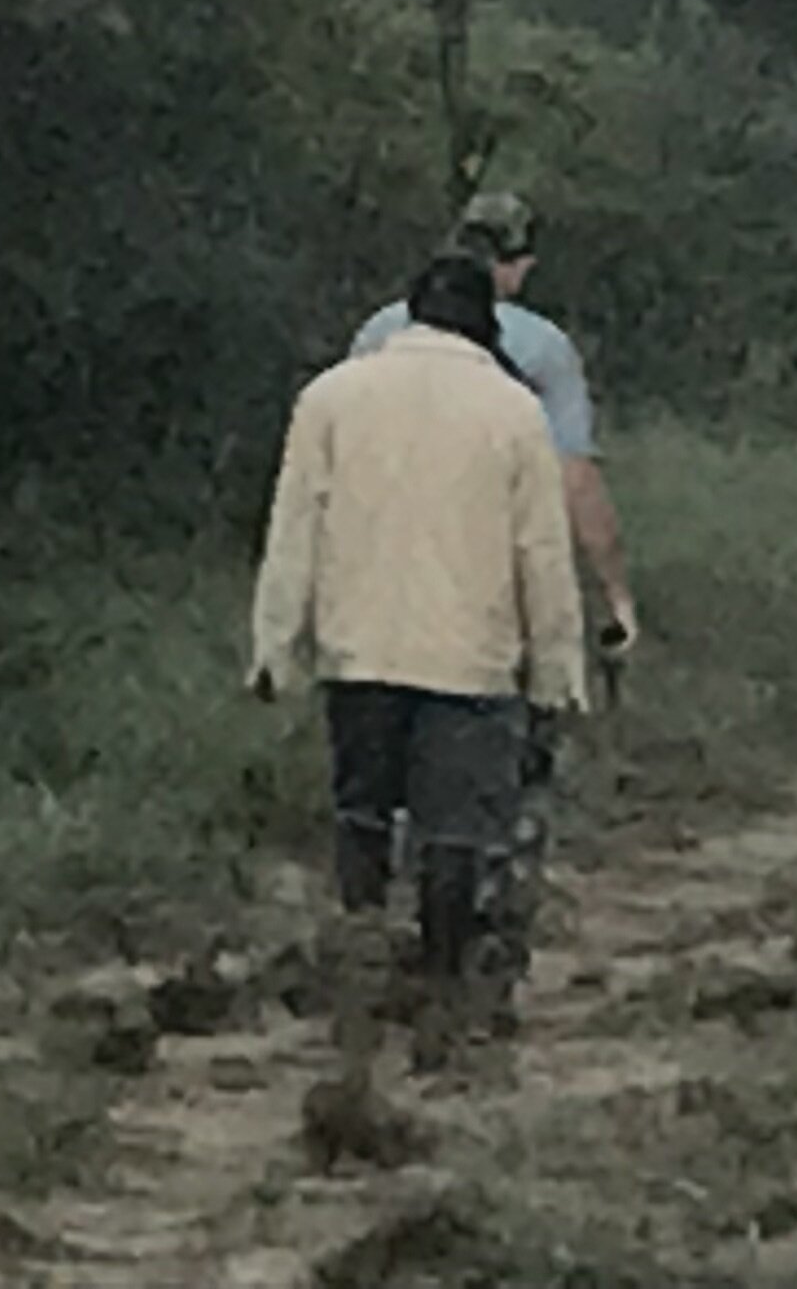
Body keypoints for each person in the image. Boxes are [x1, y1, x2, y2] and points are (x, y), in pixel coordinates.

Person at [251, 250, 589, 1075]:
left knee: (363, 809)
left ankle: (362, 958)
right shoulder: (514, 412)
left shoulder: (329, 396)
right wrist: (557, 668)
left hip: (357, 648)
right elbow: (541, 554)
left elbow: (293, 530)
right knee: (453, 830)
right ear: (484, 324)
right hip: (469, 660)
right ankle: (440, 992)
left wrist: (274, 647)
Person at [348, 189, 635, 1022]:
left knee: (387, 777)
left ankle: (380, 936)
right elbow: (573, 479)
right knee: (507, 784)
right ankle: (480, 961)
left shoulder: (376, 336)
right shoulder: (540, 349)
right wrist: (613, 594)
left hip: (383, 594)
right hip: (493, 599)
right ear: (519, 263)